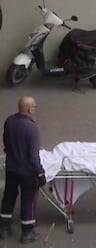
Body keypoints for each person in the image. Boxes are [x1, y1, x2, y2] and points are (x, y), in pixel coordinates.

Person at [0, 96, 46, 243]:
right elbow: (33, 156)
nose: (34, 109)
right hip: (26, 172)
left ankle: (3, 228)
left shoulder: (9, 121)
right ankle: (27, 232)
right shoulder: (31, 128)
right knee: (28, 200)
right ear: (28, 108)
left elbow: (5, 141)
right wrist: (39, 172)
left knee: (8, 196)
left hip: (11, 168)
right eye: (34, 106)